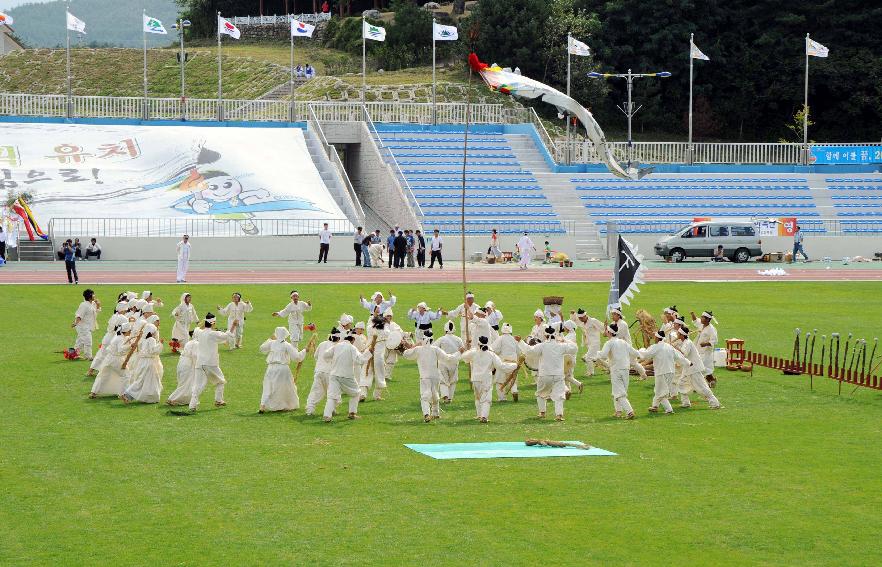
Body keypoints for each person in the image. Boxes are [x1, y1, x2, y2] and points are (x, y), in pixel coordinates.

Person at [518, 325, 578, 421]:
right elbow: (574, 348)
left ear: (545, 336)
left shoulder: (542, 346)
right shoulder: (561, 346)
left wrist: (520, 342)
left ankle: (542, 413)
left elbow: (529, 350)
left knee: (540, 393)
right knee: (559, 396)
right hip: (558, 375)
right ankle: (559, 415)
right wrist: (564, 340)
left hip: (545, 374)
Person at [402, 330, 459, 422]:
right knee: (434, 394)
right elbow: (448, 358)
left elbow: (406, 354)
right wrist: (459, 353)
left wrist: (409, 346)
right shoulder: (435, 349)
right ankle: (435, 413)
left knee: (425, 396)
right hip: (435, 376)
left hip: (425, 376)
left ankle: (426, 414)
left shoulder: (419, 349)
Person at [188, 314, 238, 412]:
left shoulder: (199, 332)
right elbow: (227, 336)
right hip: (210, 363)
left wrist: (205, 322)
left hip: (200, 362)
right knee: (220, 381)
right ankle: (218, 400)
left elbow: (197, 328)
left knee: (198, 385)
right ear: (213, 323)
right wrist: (234, 325)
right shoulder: (213, 333)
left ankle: (192, 405)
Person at [462, 336, 517, 423]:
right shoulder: (491, 354)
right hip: (486, 378)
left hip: (475, 378)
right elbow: (501, 366)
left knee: (478, 397)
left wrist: (468, 350)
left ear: (478, 344)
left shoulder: (474, 352)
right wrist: (515, 366)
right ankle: (483, 417)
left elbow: (464, 357)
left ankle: (479, 415)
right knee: (486, 398)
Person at [322, 332, 373, 422]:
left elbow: (325, 355)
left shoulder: (337, 346)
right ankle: (352, 413)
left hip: (334, 374)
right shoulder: (352, 348)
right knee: (356, 393)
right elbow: (360, 360)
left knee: (332, 396)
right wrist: (369, 352)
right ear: (352, 340)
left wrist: (333, 360)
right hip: (346, 376)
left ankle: (327, 415)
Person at [638, 330, 691, 414]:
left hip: (661, 372)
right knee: (659, 390)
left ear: (658, 338)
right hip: (670, 372)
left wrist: (639, 350)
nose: (654, 338)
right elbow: (679, 356)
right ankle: (655, 406)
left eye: (655, 337)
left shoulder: (656, 347)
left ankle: (669, 409)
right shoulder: (669, 346)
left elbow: (645, 354)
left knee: (661, 392)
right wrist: (688, 362)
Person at [594, 323, 640, 419]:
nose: (605, 332)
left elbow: (603, 355)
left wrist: (597, 354)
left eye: (606, 330)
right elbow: (635, 352)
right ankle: (618, 411)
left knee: (619, 393)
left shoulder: (609, 343)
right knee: (618, 391)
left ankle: (629, 411)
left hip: (616, 369)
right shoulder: (623, 342)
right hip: (625, 369)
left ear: (610, 332)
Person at [258, 327, 307, 413]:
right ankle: (282, 405)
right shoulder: (286, 345)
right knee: (284, 387)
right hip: (282, 368)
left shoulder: (272, 343)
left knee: (268, 386)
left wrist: (270, 338)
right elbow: (297, 357)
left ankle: (262, 405)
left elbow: (262, 348)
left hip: (271, 368)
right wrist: (305, 350)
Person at [674, 327, 723, 409]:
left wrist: (674, 348)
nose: (676, 334)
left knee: (701, 387)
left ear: (682, 335)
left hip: (694, 368)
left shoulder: (687, 343)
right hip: (688, 368)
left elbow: (684, 354)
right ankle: (685, 403)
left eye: (678, 333)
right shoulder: (684, 342)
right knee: (681, 383)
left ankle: (715, 403)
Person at [120, 323, 164, 404]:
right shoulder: (151, 340)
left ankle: (130, 395)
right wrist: (160, 344)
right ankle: (129, 394)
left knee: (142, 379)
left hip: (142, 362)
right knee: (150, 380)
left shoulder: (143, 340)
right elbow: (152, 350)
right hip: (149, 362)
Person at [89, 321, 131, 398]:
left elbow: (123, 341)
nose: (130, 332)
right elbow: (120, 350)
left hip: (108, 358)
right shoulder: (120, 338)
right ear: (127, 331)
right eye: (130, 331)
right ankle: (123, 394)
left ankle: (93, 392)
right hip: (116, 359)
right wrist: (130, 346)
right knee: (126, 375)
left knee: (102, 375)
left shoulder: (118, 335)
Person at [305, 327, 340, 416]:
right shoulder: (337, 347)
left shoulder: (322, 344)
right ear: (338, 338)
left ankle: (310, 409)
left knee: (316, 391)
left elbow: (315, 356)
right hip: (330, 373)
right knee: (332, 391)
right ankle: (332, 409)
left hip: (319, 371)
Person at [608, 307, 649, 380]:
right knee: (615, 361)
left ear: (618, 315)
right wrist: (606, 328)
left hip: (626, 346)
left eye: (614, 314)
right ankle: (614, 376)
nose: (612, 316)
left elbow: (618, 336)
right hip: (618, 346)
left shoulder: (623, 324)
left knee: (632, 362)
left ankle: (643, 374)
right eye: (612, 314)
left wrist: (609, 334)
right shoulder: (613, 323)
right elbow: (608, 335)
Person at [166, 332, 198, 406]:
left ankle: (185, 399)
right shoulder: (196, 344)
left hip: (182, 362)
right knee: (187, 382)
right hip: (189, 364)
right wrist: (198, 366)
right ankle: (173, 398)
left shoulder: (189, 342)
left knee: (184, 382)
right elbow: (194, 355)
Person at [491, 323, 519, 402]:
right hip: (514, 364)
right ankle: (514, 390)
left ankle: (502, 398)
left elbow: (494, 349)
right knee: (512, 379)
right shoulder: (514, 339)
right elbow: (519, 351)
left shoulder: (500, 338)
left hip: (503, 363)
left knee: (499, 381)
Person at [691, 310, 719, 388]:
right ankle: (712, 380)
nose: (701, 318)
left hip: (706, 352)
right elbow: (695, 320)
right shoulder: (701, 324)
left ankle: (700, 386)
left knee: (699, 368)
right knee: (704, 369)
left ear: (707, 319)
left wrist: (705, 344)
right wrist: (692, 313)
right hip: (697, 349)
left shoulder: (712, 329)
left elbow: (714, 341)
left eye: (703, 317)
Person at [437, 320, 463, 403]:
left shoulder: (441, 339)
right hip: (454, 362)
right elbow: (463, 349)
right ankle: (450, 397)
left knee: (443, 380)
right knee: (452, 381)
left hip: (443, 362)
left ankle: (445, 396)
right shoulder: (458, 339)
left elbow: (434, 348)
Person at [571, 308, 604, 375]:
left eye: (582, 318)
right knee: (594, 358)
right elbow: (574, 320)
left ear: (585, 316)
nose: (580, 319)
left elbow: (602, 327)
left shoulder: (593, 321)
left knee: (588, 358)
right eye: (579, 318)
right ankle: (608, 366)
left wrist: (610, 331)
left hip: (595, 343)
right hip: (588, 343)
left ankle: (590, 373)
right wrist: (573, 314)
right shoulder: (581, 321)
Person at [72, 289, 100, 360]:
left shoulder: (93, 303)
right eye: (93, 294)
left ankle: (73, 354)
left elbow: (97, 311)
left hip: (88, 326)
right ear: (90, 296)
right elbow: (79, 315)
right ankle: (89, 356)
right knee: (88, 341)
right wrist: (75, 323)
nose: (94, 295)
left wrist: (98, 304)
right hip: (82, 327)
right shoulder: (84, 305)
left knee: (80, 341)